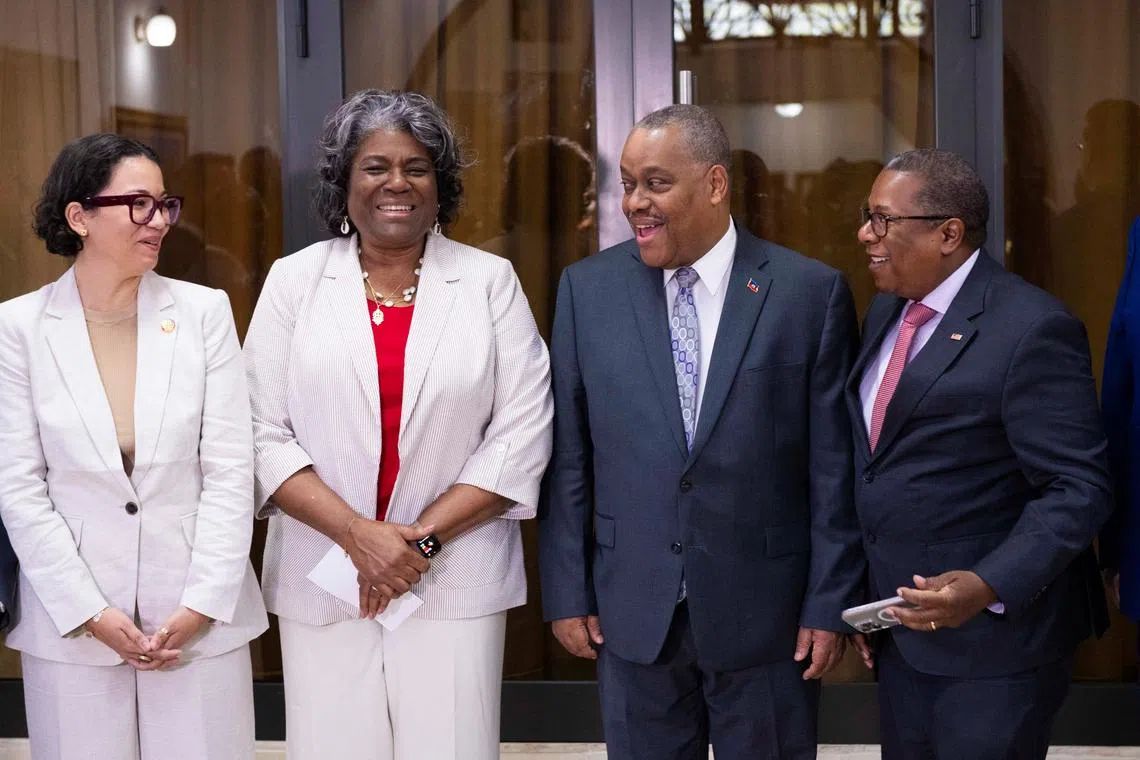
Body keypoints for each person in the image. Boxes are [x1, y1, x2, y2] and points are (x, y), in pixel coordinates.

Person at [538, 104, 865, 760]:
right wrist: (568, 591)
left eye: (655, 183)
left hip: (769, 620)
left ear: (715, 185)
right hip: (632, 613)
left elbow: (835, 468)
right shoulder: (586, 291)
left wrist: (827, 602)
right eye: (627, 183)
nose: (635, 202)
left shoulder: (808, 294)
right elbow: (571, 457)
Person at [244, 89, 553, 760]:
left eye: (417, 167)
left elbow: (522, 434)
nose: (397, 183)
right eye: (375, 166)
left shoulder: (488, 283)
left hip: (454, 573)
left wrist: (418, 549)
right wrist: (359, 539)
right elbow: (259, 432)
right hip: (323, 572)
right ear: (344, 182)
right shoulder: (293, 283)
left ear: (439, 185)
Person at [0, 133, 268, 759]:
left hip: (196, 618)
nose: (160, 222)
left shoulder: (204, 313)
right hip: (72, 618)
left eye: (165, 205)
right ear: (79, 217)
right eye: (139, 204)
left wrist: (201, 602)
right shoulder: (18, 328)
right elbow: (19, 485)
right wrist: (91, 611)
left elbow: (231, 470)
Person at [849, 148, 1111, 759]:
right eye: (867, 216)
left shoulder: (1032, 328)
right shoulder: (886, 311)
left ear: (948, 233)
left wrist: (988, 584)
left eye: (883, 219)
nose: (866, 234)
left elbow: (1079, 487)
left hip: (995, 648)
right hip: (902, 636)